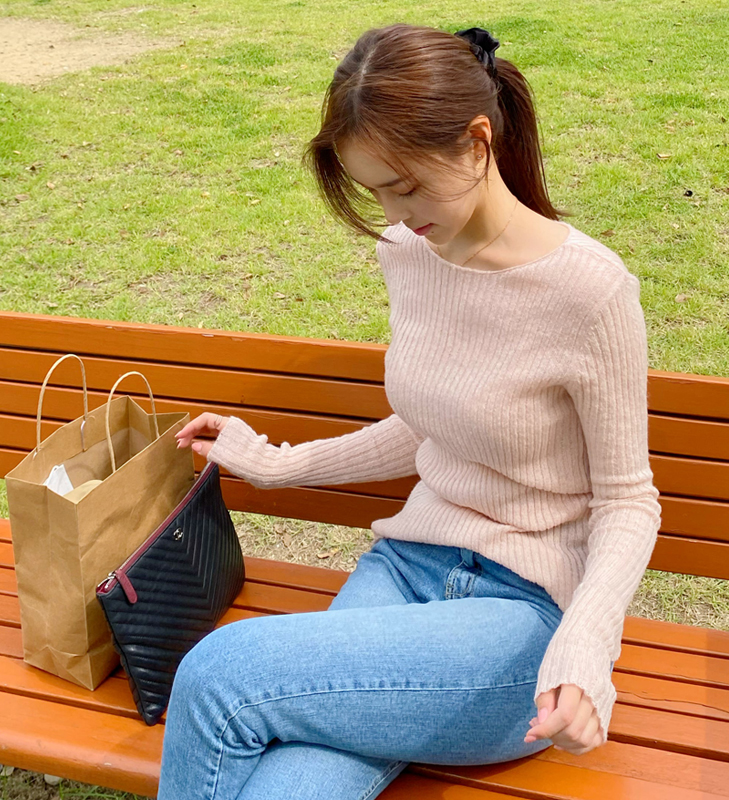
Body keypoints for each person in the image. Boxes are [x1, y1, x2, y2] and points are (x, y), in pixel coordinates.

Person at [157, 23, 661, 800]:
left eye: (407, 185)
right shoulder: (407, 253)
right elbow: (437, 424)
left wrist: (586, 647)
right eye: (376, 191)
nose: (395, 212)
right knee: (294, 786)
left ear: (477, 141)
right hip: (404, 570)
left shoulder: (590, 292)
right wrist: (276, 464)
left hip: (524, 621)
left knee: (220, 674)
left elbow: (628, 500)